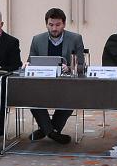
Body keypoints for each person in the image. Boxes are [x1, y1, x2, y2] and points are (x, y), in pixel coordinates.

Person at [27, 7, 86, 143]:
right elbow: (31, 62)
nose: (54, 28)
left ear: (64, 24)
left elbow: (82, 66)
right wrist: (28, 64)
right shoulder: (37, 40)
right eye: (51, 24)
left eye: (58, 25)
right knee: (29, 95)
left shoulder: (75, 39)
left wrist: (70, 68)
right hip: (43, 85)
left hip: (66, 85)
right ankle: (52, 132)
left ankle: (46, 129)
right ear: (46, 24)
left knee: (74, 96)